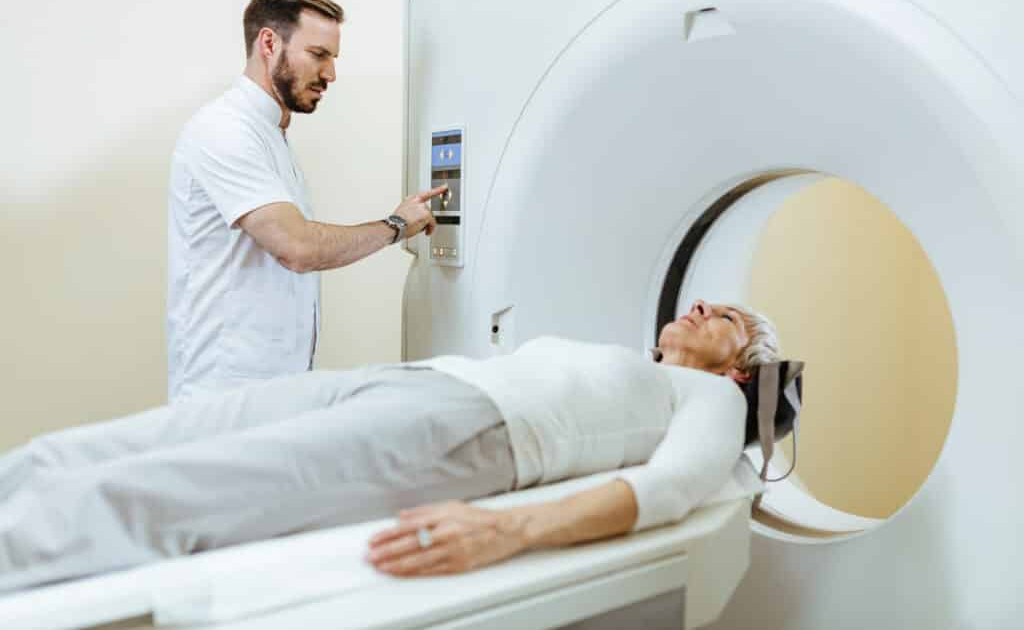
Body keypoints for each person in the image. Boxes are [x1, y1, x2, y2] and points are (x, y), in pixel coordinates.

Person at [0, 300, 783, 592]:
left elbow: (676, 486)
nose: (704, 303)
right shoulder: (632, 361)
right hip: (408, 381)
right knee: (148, 436)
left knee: (194, 482)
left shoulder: (710, 398)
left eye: (730, 319)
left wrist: (504, 529)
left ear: (738, 369)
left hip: (462, 433)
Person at [167, 0, 446, 403]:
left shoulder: (271, 137)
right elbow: (297, 247)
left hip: (274, 393)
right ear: (269, 43)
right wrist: (395, 226)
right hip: (224, 401)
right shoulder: (224, 130)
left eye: (333, 58)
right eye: (318, 55)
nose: (330, 74)